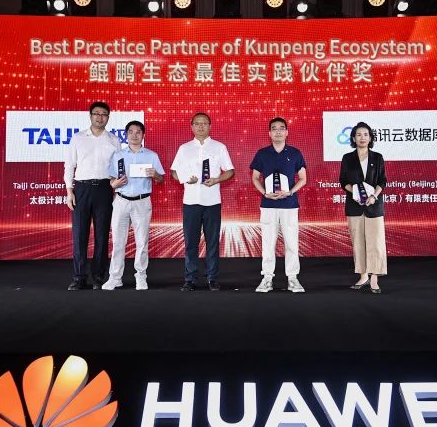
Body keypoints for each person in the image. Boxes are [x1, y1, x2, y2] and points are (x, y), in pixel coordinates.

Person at [169, 112, 235, 291]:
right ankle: (190, 279)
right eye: (197, 123)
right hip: (191, 202)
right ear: (191, 127)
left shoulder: (219, 147)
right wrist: (184, 178)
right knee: (190, 243)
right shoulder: (184, 148)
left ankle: (212, 278)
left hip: (212, 202)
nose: (200, 126)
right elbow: (174, 172)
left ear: (210, 126)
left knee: (212, 242)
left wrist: (217, 179)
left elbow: (230, 171)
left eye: (204, 123)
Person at [63, 101, 122, 290]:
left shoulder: (114, 140)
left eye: (104, 114)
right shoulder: (78, 138)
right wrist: (69, 191)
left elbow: (118, 168)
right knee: (80, 235)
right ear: (90, 116)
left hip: (104, 189)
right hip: (82, 189)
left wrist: (116, 190)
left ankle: (98, 277)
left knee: (102, 236)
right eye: (96, 113)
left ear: (108, 118)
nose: (100, 117)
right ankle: (79, 277)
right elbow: (69, 165)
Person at [102, 120, 165, 291]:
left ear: (143, 135)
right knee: (118, 242)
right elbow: (111, 179)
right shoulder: (118, 155)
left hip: (142, 202)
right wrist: (115, 184)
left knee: (142, 242)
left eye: (138, 132)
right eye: (131, 132)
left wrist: (155, 175)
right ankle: (115, 278)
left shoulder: (151, 155)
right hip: (121, 201)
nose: (134, 135)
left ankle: (141, 276)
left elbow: (160, 180)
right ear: (126, 135)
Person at [249, 117, 308, 293]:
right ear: (269, 133)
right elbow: (255, 177)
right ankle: (267, 278)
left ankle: (293, 278)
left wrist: (290, 192)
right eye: (274, 129)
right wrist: (264, 193)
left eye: (281, 128)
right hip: (268, 205)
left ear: (287, 132)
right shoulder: (262, 153)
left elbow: (303, 178)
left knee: (291, 243)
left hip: (289, 205)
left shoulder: (295, 153)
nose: (278, 132)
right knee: (268, 243)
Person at [339, 121, 388, 293]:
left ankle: (374, 277)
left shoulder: (377, 157)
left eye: (366, 134)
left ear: (370, 138)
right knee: (358, 242)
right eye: (359, 134)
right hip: (354, 207)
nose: (362, 137)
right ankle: (363, 275)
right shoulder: (347, 158)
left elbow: (383, 180)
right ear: (353, 138)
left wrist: (374, 196)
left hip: (374, 206)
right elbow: (343, 181)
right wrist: (354, 191)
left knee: (376, 242)